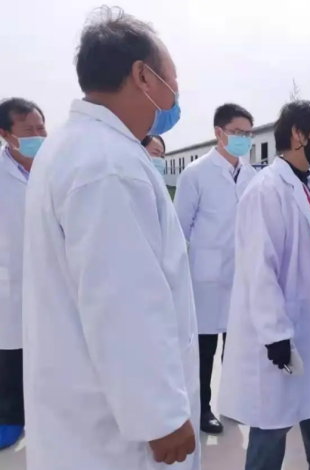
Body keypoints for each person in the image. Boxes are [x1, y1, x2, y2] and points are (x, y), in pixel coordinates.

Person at [21, 8, 199, 470]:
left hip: (85, 407)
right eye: (172, 80)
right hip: (117, 434)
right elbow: (123, 301)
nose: (175, 94)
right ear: (143, 76)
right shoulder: (108, 165)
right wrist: (160, 416)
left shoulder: (75, 147)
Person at [218, 100, 310, 470]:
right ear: (297, 134)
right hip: (281, 328)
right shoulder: (267, 190)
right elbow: (260, 268)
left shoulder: (307, 185)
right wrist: (275, 334)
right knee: (272, 426)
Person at [174, 102, 257, 435]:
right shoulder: (195, 173)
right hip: (205, 276)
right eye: (237, 132)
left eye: (248, 134)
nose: (243, 139)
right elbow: (179, 228)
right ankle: (202, 407)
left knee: (236, 347)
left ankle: (233, 402)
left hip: (241, 273)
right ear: (219, 132)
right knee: (205, 349)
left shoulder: (251, 174)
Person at [0, 97, 46, 451]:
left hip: (53, 278)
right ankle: (10, 417)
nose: (38, 135)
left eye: (41, 127)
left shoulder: (56, 166)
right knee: (11, 355)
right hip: (10, 280)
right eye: (28, 130)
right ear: (5, 134)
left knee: (51, 351)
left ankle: (46, 414)